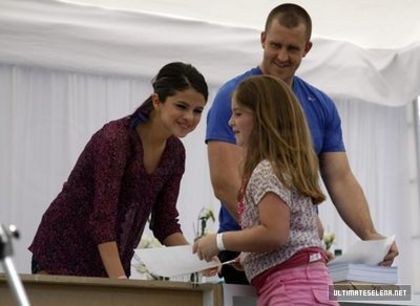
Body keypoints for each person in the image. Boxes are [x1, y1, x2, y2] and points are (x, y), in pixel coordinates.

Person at [205, 3, 399, 284]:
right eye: (275, 45)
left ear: (307, 48)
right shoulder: (233, 96)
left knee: (388, 293)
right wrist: (276, 232)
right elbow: (224, 181)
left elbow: (340, 177)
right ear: (262, 39)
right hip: (251, 250)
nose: (282, 56)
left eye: (292, 49)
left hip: (296, 251)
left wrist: (370, 237)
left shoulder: (320, 104)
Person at [29, 62, 208, 279]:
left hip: (110, 261)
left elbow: (165, 221)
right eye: (181, 106)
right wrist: (120, 283)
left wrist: (195, 259)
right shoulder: (116, 139)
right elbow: (102, 218)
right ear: (157, 101)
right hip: (62, 254)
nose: (190, 117)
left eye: (198, 111)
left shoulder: (175, 152)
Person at [195, 75, 338, 305]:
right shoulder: (287, 167)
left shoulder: (266, 170)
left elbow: (275, 233)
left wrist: (220, 241)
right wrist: (251, 254)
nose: (231, 122)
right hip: (309, 288)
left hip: (290, 292)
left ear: (263, 119)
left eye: (238, 114)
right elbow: (312, 229)